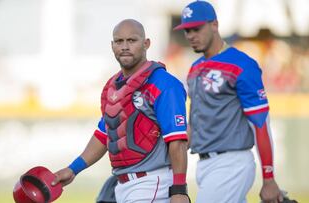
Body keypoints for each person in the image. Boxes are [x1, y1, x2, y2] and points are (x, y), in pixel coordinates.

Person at [52, 19, 191, 203]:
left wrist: (179, 190)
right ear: (112, 46)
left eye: (132, 40)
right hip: (122, 185)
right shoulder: (112, 87)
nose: (125, 46)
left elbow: (177, 140)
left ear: (146, 43)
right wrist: (73, 169)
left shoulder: (164, 84)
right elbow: (105, 134)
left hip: (152, 184)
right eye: (119, 41)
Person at [173, 1, 283, 203]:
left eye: (196, 29)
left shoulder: (242, 64)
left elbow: (260, 123)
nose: (190, 36)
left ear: (214, 24)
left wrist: (269, 178)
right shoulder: (194, 68)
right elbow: (194, 126)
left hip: (232, 162)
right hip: (204, 164)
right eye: (187, 31)